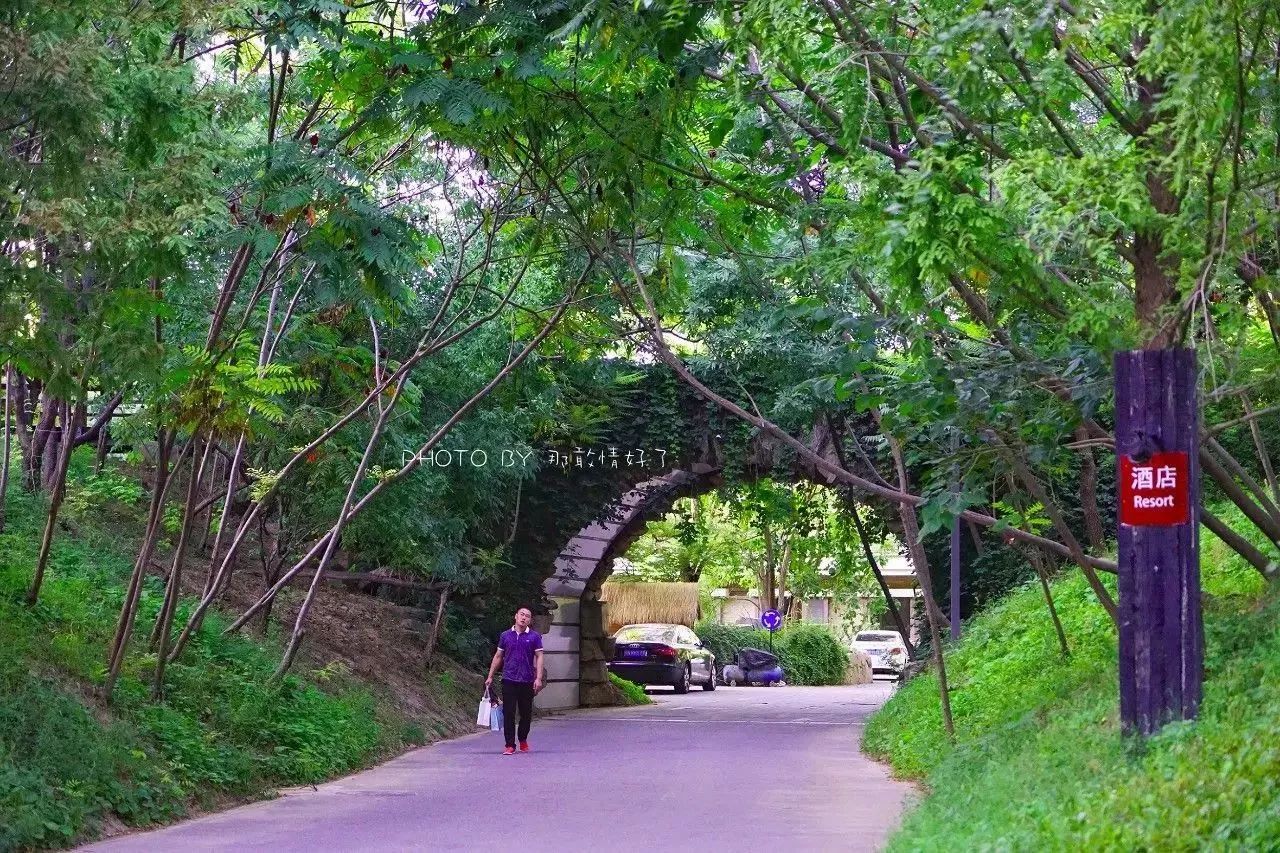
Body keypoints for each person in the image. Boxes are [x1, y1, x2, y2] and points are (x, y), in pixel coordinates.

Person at [485, 606, 544, 755]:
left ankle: (523, 739)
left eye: (527, 616)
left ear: (530, 621)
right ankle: (509, 745)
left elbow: (539, 657)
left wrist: (538, 678)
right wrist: (490, 676)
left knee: (525, 713)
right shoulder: (505, 636)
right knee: (509, 712)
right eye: (522, 615)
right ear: (516, 616)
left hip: (527, 680)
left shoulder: (535, 637)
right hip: (509, 679)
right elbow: (498, 656)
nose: (524, 618)